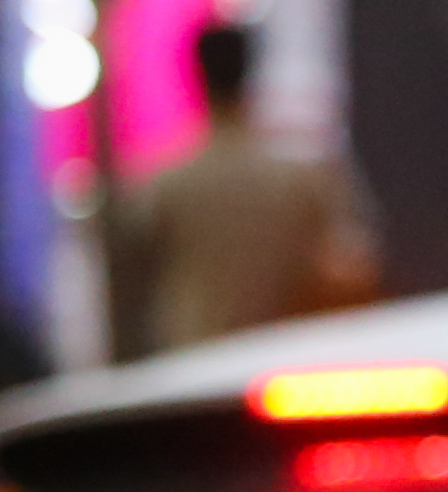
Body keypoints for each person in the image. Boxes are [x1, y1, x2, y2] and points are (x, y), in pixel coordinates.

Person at [101, 23, 376, 355]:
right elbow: (352, 263)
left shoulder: (168, 183)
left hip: (193, 354)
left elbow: (131, 277)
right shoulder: (299, 176)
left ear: (197, 76)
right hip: (283, 356)